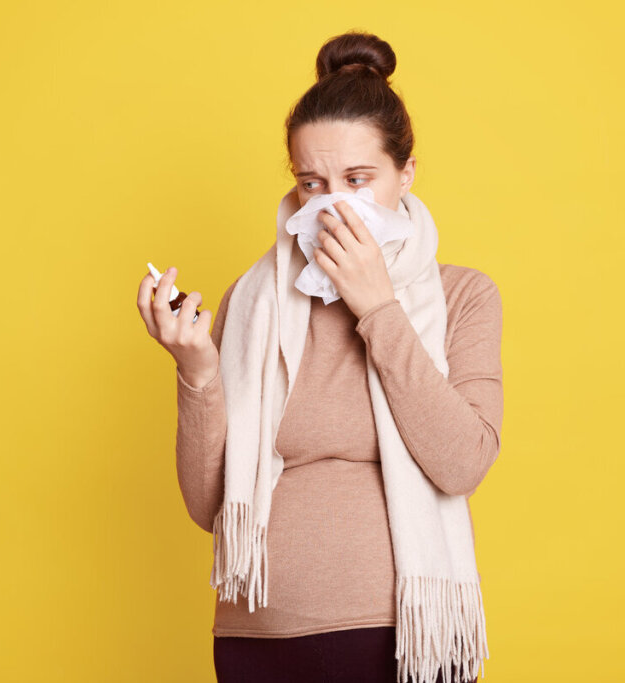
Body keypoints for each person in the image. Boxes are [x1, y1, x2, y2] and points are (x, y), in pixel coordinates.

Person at [137, 30, 502, 683]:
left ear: (406, 175)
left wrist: (377, 309)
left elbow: (462, 462)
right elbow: (207, 505)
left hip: (401, 638)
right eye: (312, 182)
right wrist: (195, 370)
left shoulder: (462, 295)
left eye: (358, 180)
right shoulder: (255, 303)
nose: (333, 204)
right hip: (258, 638)